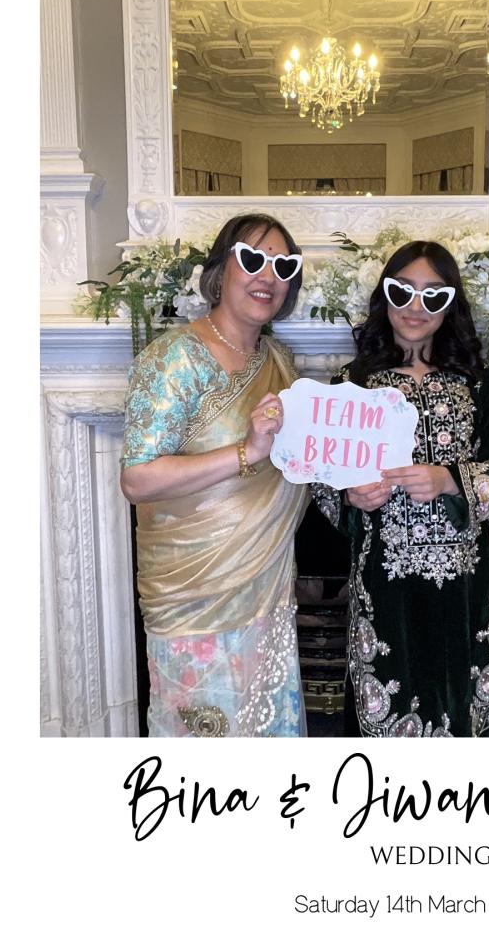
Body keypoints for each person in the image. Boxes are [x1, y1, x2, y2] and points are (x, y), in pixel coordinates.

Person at [312, 241, 489, 737]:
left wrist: (450, 478)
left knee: (461, 704)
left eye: (433, 296)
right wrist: (350, 496)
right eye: (403, 292)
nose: (415, 307)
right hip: (387, 581)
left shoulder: (476, 383)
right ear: (384, 296)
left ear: (450, 305)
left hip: (466, 580)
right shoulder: (352, 384)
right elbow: (322, 481)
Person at [120, 213, 309, 737]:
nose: (268, 277)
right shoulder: (174, 358)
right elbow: (137, 479)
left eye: (283, 267)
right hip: (192, 598)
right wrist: (245, 452)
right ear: (221, 270)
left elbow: (297, 463)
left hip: (266, 590)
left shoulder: (279, 361)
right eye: (252, 260)